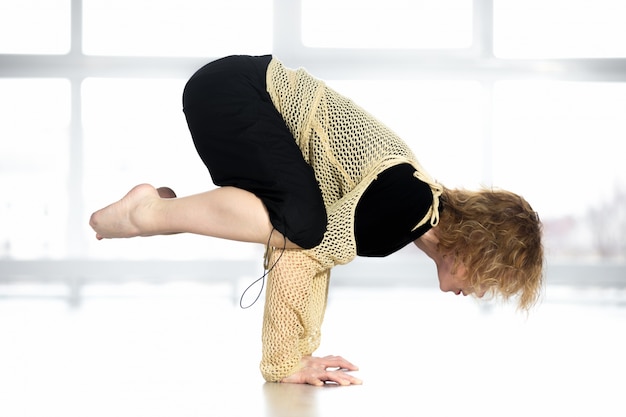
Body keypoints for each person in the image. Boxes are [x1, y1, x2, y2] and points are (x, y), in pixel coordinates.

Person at [89, 55, 544, 386]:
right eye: (493, 276)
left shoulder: (414, 203)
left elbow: (319, 256)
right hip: (231, 91)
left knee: (301, 223)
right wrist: (285, 361)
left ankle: (154, 208)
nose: (482, 290)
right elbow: (301, 255)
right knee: (299, 228)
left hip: (230, 89)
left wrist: (305, 349)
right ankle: (148, 213)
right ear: (480, 247)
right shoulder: (408, 206)